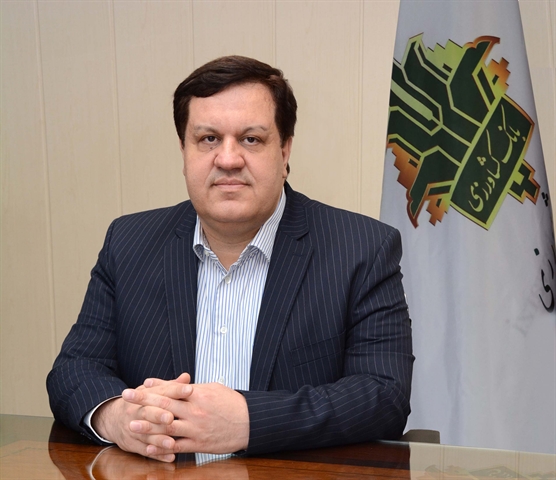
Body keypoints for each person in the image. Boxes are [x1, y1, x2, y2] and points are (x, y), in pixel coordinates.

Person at [47, 55, 414, 463]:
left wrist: (249, 421)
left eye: (251, 139)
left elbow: (384, 395)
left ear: (285, 149)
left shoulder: (362, 249)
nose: (228, 159)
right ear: (184, 150)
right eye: (208, 139)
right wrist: (119, 417)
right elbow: (74, 369)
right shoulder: (129, 242)